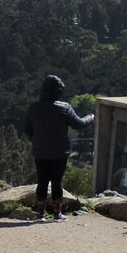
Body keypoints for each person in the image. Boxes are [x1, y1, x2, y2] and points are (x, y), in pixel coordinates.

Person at [24, 74, 94, 221]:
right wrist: (91, 117)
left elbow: (27, 130)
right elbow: (79, 124)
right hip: (60, 151)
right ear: (58, 91)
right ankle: (57, 213)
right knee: (57, 181)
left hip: (40, 151)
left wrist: (36, 141)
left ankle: (40, 213)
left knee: (42, 181)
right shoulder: (64, 108)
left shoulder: (33, 108)